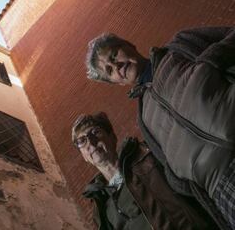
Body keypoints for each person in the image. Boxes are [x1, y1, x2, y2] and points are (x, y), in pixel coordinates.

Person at [85, 26, 235, 229]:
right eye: (109, 70)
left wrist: (209, 61)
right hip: (222, 186)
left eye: (113, 54)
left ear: (129, 45)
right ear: (116, 82)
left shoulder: (179, 47)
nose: (117, 65)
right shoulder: (145, 120)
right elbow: (173, 175)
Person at [72, 112, 214, 229]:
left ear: (112, 137)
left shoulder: (148, 155)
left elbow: (193, 187)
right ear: (84, 156)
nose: (90, 142)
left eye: (95, 132)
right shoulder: (101, 206)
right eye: (82, 141)